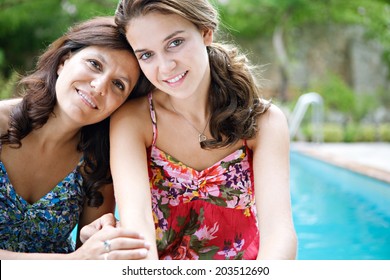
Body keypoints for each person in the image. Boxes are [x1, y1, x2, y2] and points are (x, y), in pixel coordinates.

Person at [109, 0, 297, 260]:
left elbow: (279, 233)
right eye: (146, 55)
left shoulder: (264, 122)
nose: (165, 67)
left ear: (206, 32)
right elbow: (136, 231)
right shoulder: (133, 121)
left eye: (175, 43)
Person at [0, 16, 152, 260]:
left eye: (118, 85)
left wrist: (93, 238)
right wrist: (70, 263)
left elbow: (91, 255)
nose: (100, 86)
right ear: (63, 61)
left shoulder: (97, 161)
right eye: (94, 64)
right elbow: (79, 262)